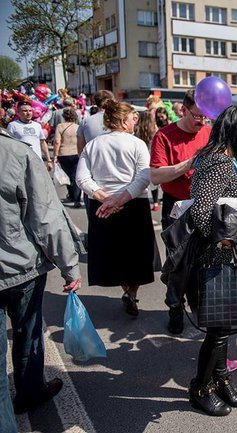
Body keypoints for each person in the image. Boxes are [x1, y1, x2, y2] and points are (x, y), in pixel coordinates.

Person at [0, 131, 81, 429]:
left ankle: (31, 392)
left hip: (18, 267)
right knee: (28, 333)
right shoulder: (15, 152)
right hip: (19, 268)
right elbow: (45, 218)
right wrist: (69, 265)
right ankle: (30, 392)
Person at [187, 106, 237, 416]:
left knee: (223, 326)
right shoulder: (218, 162)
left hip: (219, 253)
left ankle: (220, 378)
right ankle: (200, 388)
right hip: (211, 256)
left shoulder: (215, 159)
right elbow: (203, 214)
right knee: (218, 329)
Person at [76, 100, 155, 317]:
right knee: (137, 255)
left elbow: (82, 178)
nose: (134, 123)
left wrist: (104, 197)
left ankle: (127, 291)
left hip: (103, 205)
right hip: (133, 204)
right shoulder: (137, 144)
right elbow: (144, 176)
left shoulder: (93, 145)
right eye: (132, 119)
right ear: (122, 120)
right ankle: (131, 292)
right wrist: (119, 199)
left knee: (115, 254)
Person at [150, 89, 211, 334]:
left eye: (205, 118)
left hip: (205, 204)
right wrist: (188, 163)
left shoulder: (209, 131)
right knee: (177, 262)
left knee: (203, 260)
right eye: (197, 116)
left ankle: (200, 306)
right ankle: (175, 307)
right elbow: (155, 175)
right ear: (183, 110)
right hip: (175, 205)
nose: (201, 122)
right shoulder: (164, 136)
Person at [53, 107, 82, 207]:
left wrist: (55, 155)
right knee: (75, 176)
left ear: (64, 116)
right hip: (76, 153)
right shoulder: (78, 126)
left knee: (67, 176)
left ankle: (71, 195)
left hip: (63, 154)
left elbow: (57, 141)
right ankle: (77, 199)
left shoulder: (60, 126)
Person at [7, 101, 50, 167]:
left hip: (36, 161)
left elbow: (42, 143)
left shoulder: (37, 125)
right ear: (18, 112)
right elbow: (9, 145)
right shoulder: (13, 125)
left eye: (30, 111)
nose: (28, 113)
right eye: (25, 111)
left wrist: (48, 160)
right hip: (20, 162)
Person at [134, 110, 161, 211]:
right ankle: (155, 203)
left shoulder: (136, 129)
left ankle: (140, 199)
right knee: (154, 183)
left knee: (140, 179)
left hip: (139, 157)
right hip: (151, 156)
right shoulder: (154, 129)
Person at [76, 89, 114, 154]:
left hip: (94, 160)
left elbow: (81, 150)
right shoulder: (119, 120)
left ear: (95, 102)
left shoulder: (85, 122)